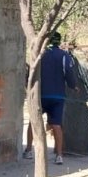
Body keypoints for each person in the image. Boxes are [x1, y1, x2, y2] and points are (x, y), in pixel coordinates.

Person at [23, 31, 78, 165]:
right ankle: (59, 155)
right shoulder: (64, 56)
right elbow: (69, 74)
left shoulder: (39, 55)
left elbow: (31, 72)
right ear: (59, 42)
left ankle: (29, 150)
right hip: (57, 96)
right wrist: (73, 86)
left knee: (33, 122)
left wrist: (28, 88)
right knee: (57, 125)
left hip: (40, 95)